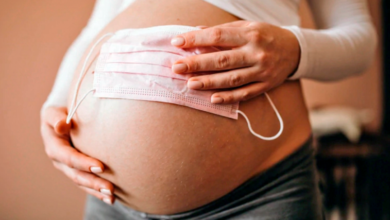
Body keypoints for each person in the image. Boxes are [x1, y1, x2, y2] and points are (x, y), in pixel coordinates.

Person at [40, 0, 377, 219]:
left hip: (254, 198)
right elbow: (96, 29)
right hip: (109, 199)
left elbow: (361, 40)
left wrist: (296, 50)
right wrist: (54, 105)